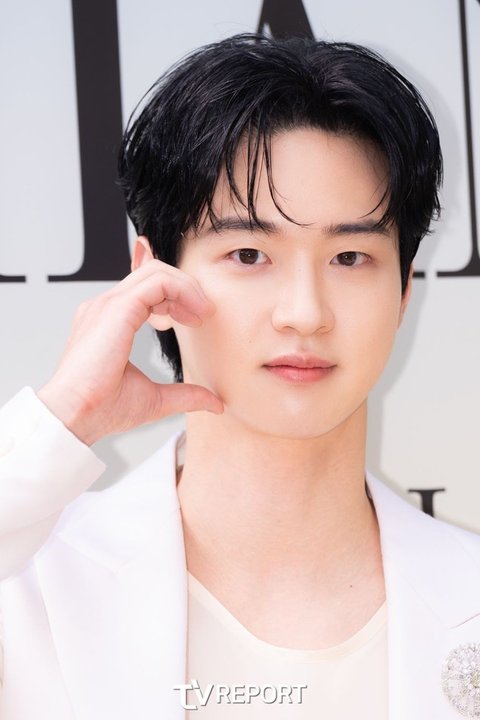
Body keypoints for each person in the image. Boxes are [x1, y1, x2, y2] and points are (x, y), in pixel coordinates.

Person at [0, 33, 479, 720]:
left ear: (404, 291)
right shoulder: (30, 584)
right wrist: (64, 416)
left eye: (349, 258)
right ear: (154, 278)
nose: (305, 313)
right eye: (250, 254)